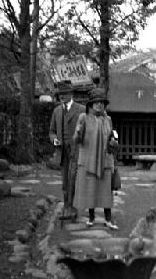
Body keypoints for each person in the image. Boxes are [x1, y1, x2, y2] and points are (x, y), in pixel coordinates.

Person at [72, 88, 119, 230]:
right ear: (90, 105)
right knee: (90, 189)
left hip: (105, 160)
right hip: (88, 160)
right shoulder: (83, 118)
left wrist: (113, 143)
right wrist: (79, 132)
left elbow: (112, 139)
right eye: (96, 103)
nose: (99, 105)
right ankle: (91, 218)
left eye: (101, 103)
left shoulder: (108, 120)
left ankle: (108, 219)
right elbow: (76, 140)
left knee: (106, 191)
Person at [49, 80, 85, 220]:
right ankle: (66, 206)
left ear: (71, 94)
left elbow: (87, 130)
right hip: (62, 151)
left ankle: (71, 207)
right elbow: (51, 131)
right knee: (65, 180)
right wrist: (54, 139)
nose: (62, 97)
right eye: (60, 94)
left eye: (65, 93)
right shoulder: (57, 111)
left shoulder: (81, 109)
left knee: (73, 178)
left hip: (76, 150)